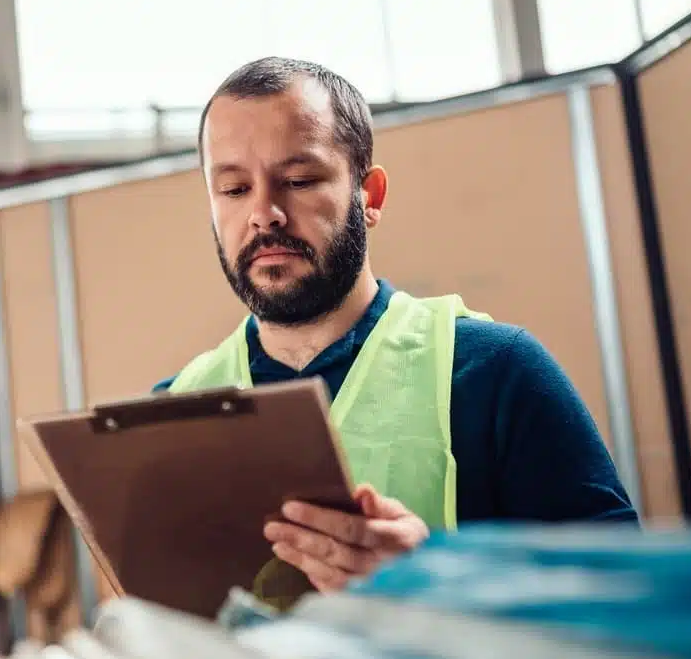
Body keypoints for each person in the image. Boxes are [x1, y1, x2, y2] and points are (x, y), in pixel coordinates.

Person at [153, 57, 638, 599]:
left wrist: (438, 577)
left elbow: (628, 596)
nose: (265, 214)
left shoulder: (495, 372)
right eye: (235, 190)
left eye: (298, 180)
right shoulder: (172, 410)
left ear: (370, 196)